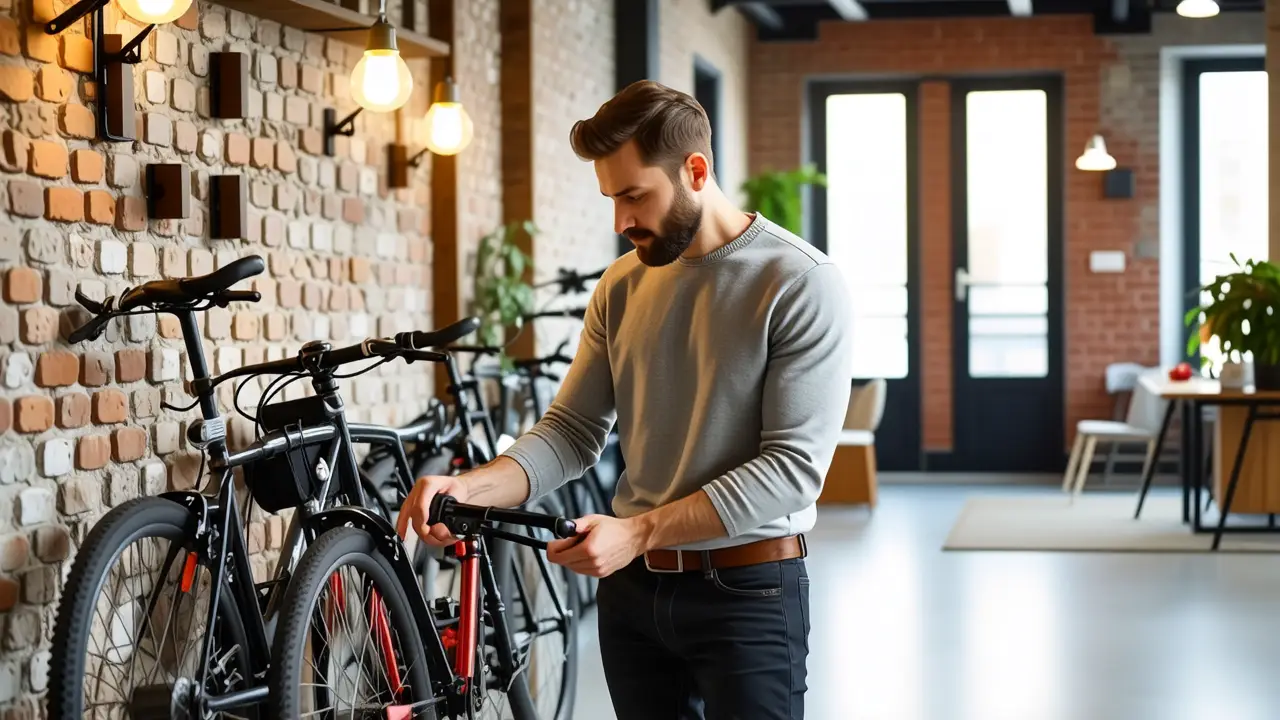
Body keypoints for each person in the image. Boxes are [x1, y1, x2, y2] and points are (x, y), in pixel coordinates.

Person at [397, 79, 853, 720]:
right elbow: (571, 430)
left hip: (747, 593)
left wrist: (637, 532)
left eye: (635, 196)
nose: (621, 222)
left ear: (696, 171)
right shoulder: (620, 285)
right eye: (612, 199)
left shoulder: (799, 282)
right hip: (633, 597)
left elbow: (792, 470)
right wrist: (473, 487)